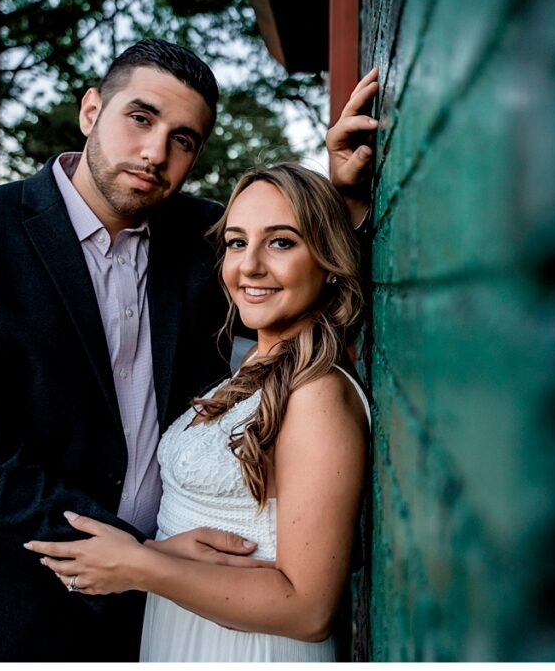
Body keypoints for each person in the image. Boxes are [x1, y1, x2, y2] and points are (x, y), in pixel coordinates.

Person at [0, 35, 379, 662]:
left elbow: (299, 284)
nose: (155, 152)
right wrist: (137, 550)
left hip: (167, 605)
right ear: (92, 111)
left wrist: (344, 199)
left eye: (184, 139)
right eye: (140, 118)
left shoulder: (206, 238)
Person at [27, 162, 369, 662]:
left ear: (328, 258)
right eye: (235, 242)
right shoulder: (259, 360)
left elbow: (309, 610)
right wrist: (152, 554)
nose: (248, 266)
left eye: (281, 242)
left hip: (250, 649)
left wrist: (142, 567)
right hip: (184, 628)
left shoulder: (317, 394)